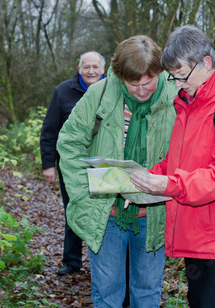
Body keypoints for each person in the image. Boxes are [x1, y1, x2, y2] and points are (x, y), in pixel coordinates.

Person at [130, 25, 215, 308]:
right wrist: (141, 179)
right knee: (198, 301)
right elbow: (176, 163)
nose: (178, 84)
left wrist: (170, 185)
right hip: (196, 231)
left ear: (206, 63)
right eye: (173, 77)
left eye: (182, 75)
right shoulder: (189, 104)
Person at [56, 35, 177, 307]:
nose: (143, 90)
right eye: (134, 84)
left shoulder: (175, 95)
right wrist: (83, 193)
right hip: (107, 212)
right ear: (119, 76)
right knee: (107, 294)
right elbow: (69, 144)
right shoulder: (99, 93)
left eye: (149, 82)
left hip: (155, 213)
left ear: (160, 71)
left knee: (147, 293)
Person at [40, 51, 105, 275]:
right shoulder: (63, 92)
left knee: (104, 213)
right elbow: (49, 130)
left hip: (103, 164)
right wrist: (48, 164)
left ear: (103, 69)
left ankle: (105, 265)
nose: (91, 71)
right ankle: (72, 261)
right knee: (74, 210)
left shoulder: (114, 91)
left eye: (95, 67)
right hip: (71, 165)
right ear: (79, 69)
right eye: (86, 67)